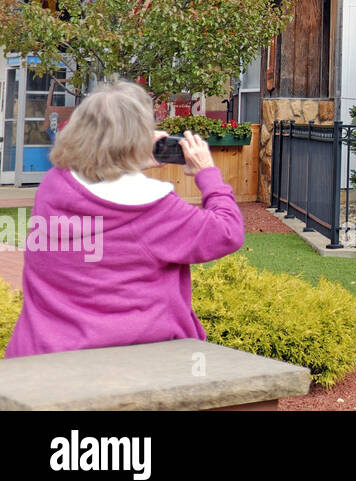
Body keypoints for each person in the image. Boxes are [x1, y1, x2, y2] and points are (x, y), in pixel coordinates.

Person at [4, 80, 245, 358]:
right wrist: (208, 174)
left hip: (38, 355)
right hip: (125, 365)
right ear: (138, 138)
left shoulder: (52, 186)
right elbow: (228, 231)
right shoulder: (153, 207)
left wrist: (130, 159)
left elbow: (98, 180)